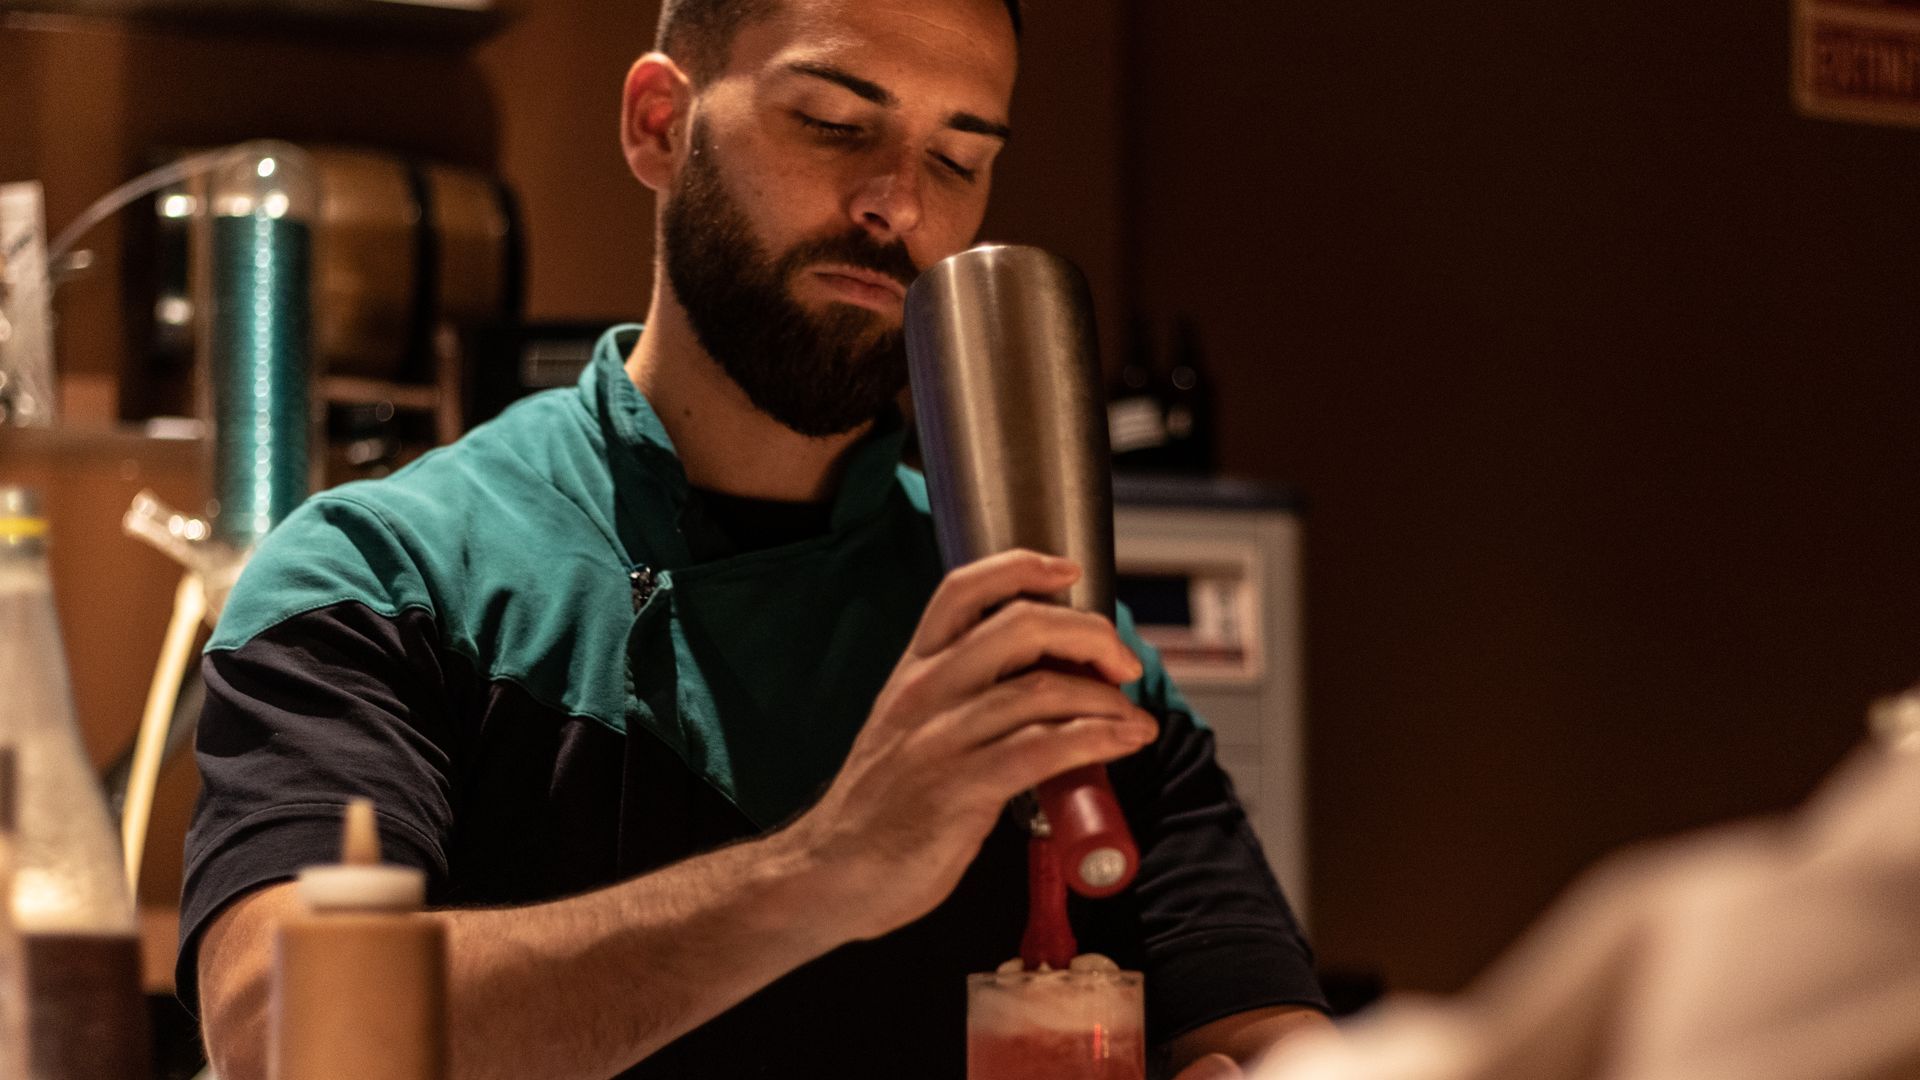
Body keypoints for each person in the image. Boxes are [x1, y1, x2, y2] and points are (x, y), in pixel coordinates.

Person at [182, 1, 1333, 1077]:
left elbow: (1264, 1030)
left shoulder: (1044, 642)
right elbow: (283, 1031)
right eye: (833, 124)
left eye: (961, 157)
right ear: (659, 123)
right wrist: (823, 870)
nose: (901, 206)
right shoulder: (382, 579)